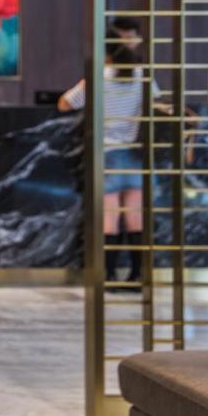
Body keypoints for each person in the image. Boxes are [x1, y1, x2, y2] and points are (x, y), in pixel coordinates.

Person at [60, 24, 160, 286]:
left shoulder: (97, 77)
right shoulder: (143, 75)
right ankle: (139, 275)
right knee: (135, 215)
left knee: (110, 217)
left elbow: (65, 103)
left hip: (108, 153)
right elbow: (157, 105)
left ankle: (110, 275)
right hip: (138, 154)